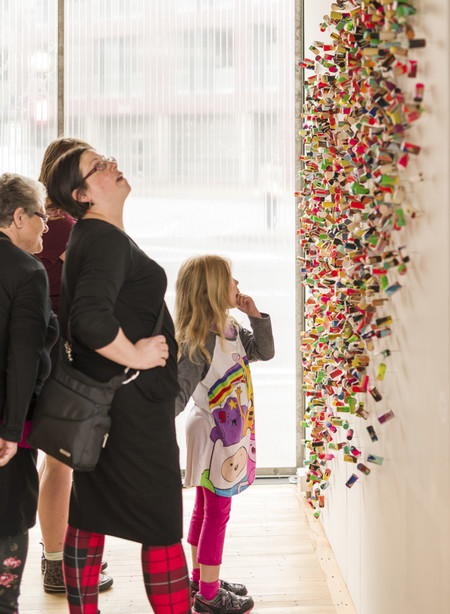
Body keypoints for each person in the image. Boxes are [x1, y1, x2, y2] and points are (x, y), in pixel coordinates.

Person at [46, 146, 191, 614]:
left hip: (110, 406)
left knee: (90, 513)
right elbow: (88, 319)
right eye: (98, 166)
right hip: (131, 410)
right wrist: (138, 354)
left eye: (105, 158)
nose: (112, 164)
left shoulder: (91, 235)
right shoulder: (102, 240)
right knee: (162, 522)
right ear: (81, 194)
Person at [175, 255, 275, 614]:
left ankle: (200, 579)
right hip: (213, 436)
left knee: (206, 508)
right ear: (215, 289)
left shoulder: (230, 328)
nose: (237, 285)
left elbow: (265, 351)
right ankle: (209, 595)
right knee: (217, 513)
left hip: (227, 434)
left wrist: (254, 314)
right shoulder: (198, 341)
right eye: (230, 280)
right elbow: (176, 395)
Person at [36, 137, 112, 594]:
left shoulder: (31, 223)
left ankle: (51, 559)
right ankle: (59, 565)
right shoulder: (68, 228)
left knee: (47, 462)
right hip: (63, 354)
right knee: (61, 462)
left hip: (36, 352)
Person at [0, 173, 58, 613]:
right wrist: (11, 429)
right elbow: (24, 359)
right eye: (40, 217)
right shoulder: (28, 272)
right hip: (8, 422)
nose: (47, 226)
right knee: (11, 515)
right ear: (18, 217)